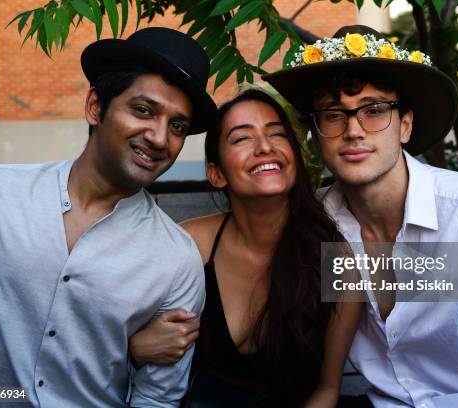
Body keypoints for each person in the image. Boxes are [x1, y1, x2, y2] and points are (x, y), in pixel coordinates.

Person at [263, 25, 458, 407]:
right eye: (333, 115)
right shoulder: (320, 228)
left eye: (374, 111)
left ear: (405, 125)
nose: (353, 130)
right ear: (316, 133)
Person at [0, 27, 217, 407]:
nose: (160, 138)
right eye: (143, 110)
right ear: (95, 106)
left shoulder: (176, 260)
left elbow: (156, 399)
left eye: (177, 126)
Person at [129, 89, 362, 407]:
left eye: (277, 134)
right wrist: (135, 348)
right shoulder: (193, 243)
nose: (265, 147)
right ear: (217, 173)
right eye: (241, 139)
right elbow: (133, 336)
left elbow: (326, 389)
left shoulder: (335, 258)